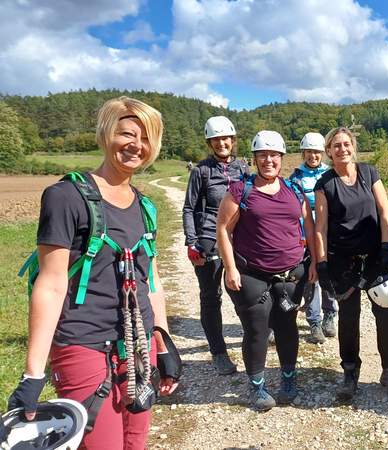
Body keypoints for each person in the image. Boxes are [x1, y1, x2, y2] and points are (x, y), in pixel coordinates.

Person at [7, 96, 180, 449]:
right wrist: (33, 374)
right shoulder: (65, 196)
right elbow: (51, 284)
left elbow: (151, 281)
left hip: (137, 347)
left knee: (135, 444)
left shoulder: (145, 206)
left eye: (146, 138)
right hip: (84, 346)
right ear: (105, 134)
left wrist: (162, 341)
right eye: (127, 134)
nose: (136, 145)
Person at [216, 130, 316, 411]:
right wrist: (230, 268)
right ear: (255, 158)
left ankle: (288, 379)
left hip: (289, 275)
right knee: (257, 330)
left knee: (287, 328)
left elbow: (308, 227)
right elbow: (223, 229)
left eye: (274, 155)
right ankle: (257, 387)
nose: (268, 160)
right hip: (251, 275)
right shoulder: (241, 190)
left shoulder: (293, 190)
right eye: (263, 155)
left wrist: (315, 263)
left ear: (282, 158)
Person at [313, 127, 388, 400]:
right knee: (349, 318)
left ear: (353, 146)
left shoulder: (369, 173)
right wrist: (322, 263)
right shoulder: (325, 184)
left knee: (386, 315)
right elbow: (321, 228)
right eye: (336, 146)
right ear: (329, 151)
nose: (342, 149)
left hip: (376, 257)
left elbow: (384, 211)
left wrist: (387, 246)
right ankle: (350, 371)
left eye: (346, 144)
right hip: (343, 262)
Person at [182, 116, 249, 375]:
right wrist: (192, 242)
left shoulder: (242, 168)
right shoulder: (201, 171)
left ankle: (254, 337)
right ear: (210, 142)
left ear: (233, 141)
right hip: (209, 239)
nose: (222, 143)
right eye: (217, 139)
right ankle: (219, 352)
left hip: (238, 238)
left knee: (244, 291)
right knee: (211, 297)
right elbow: (189, 208)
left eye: (226, 139)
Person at [288, 131, 337, 344]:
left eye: (316, 152)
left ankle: (330, 315)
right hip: (306, 235)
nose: (312, 156)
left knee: (330, 275)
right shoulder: (295, 177)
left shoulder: (331, 174)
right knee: (311, 277)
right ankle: (314, 321)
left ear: (322, 153)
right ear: (303, 153)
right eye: (308, 152)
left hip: (329, 234)